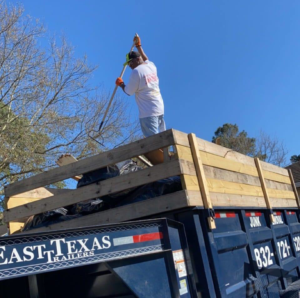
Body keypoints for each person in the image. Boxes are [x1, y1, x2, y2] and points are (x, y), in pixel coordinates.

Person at [115, 35, 166, 137]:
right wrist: (139, 46)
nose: (129, 65)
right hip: (159, 108)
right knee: (163, 138)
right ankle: (167, 152)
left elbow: (129, 91)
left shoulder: (136, 72)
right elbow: (146, 58)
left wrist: (121, 84)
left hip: (148, 113)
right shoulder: (151, 66)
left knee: (153, 142)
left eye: (130, 62)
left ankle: (159, 152)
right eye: (128, 63)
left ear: (138, 59)